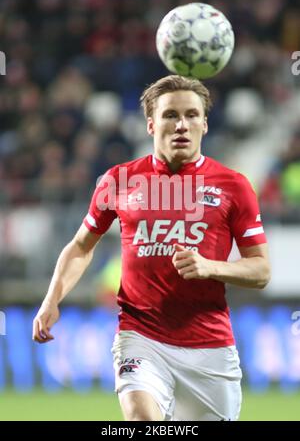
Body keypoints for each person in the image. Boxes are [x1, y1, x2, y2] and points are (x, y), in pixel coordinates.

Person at [33, 75, 271, 421]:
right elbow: (81, 246)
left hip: (209, 347)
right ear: (150, 124)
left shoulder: (234, 187)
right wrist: (51, 300)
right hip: (140, 337)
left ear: (205, 124)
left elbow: (261, 270)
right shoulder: (119, 180)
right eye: (170, 115)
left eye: (192, 115)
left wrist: (211, 267)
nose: (181, 125)